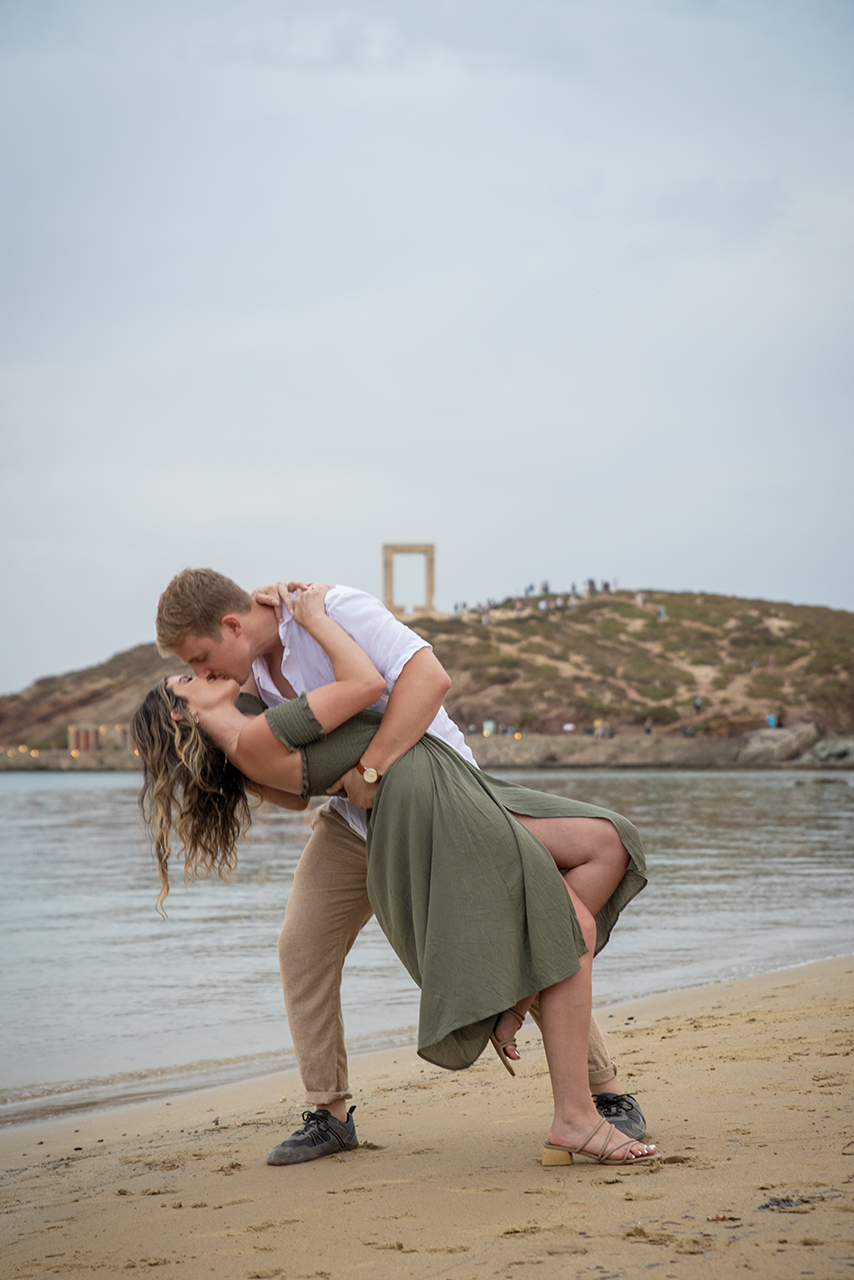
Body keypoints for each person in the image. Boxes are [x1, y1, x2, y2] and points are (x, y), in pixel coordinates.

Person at [135, 586, 655, 1168]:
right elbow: (285, 779)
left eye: (197, 658)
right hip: (354, 823)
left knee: (540, 915)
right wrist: (282, 772)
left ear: (230, 625)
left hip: (436, 797)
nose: (198, 670)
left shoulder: (332, 611)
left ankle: (600, 1090)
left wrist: (368, 768)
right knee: (301, 947)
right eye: (191, 672)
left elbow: (426, 681)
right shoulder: (246, 680)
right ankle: (328, 1114)